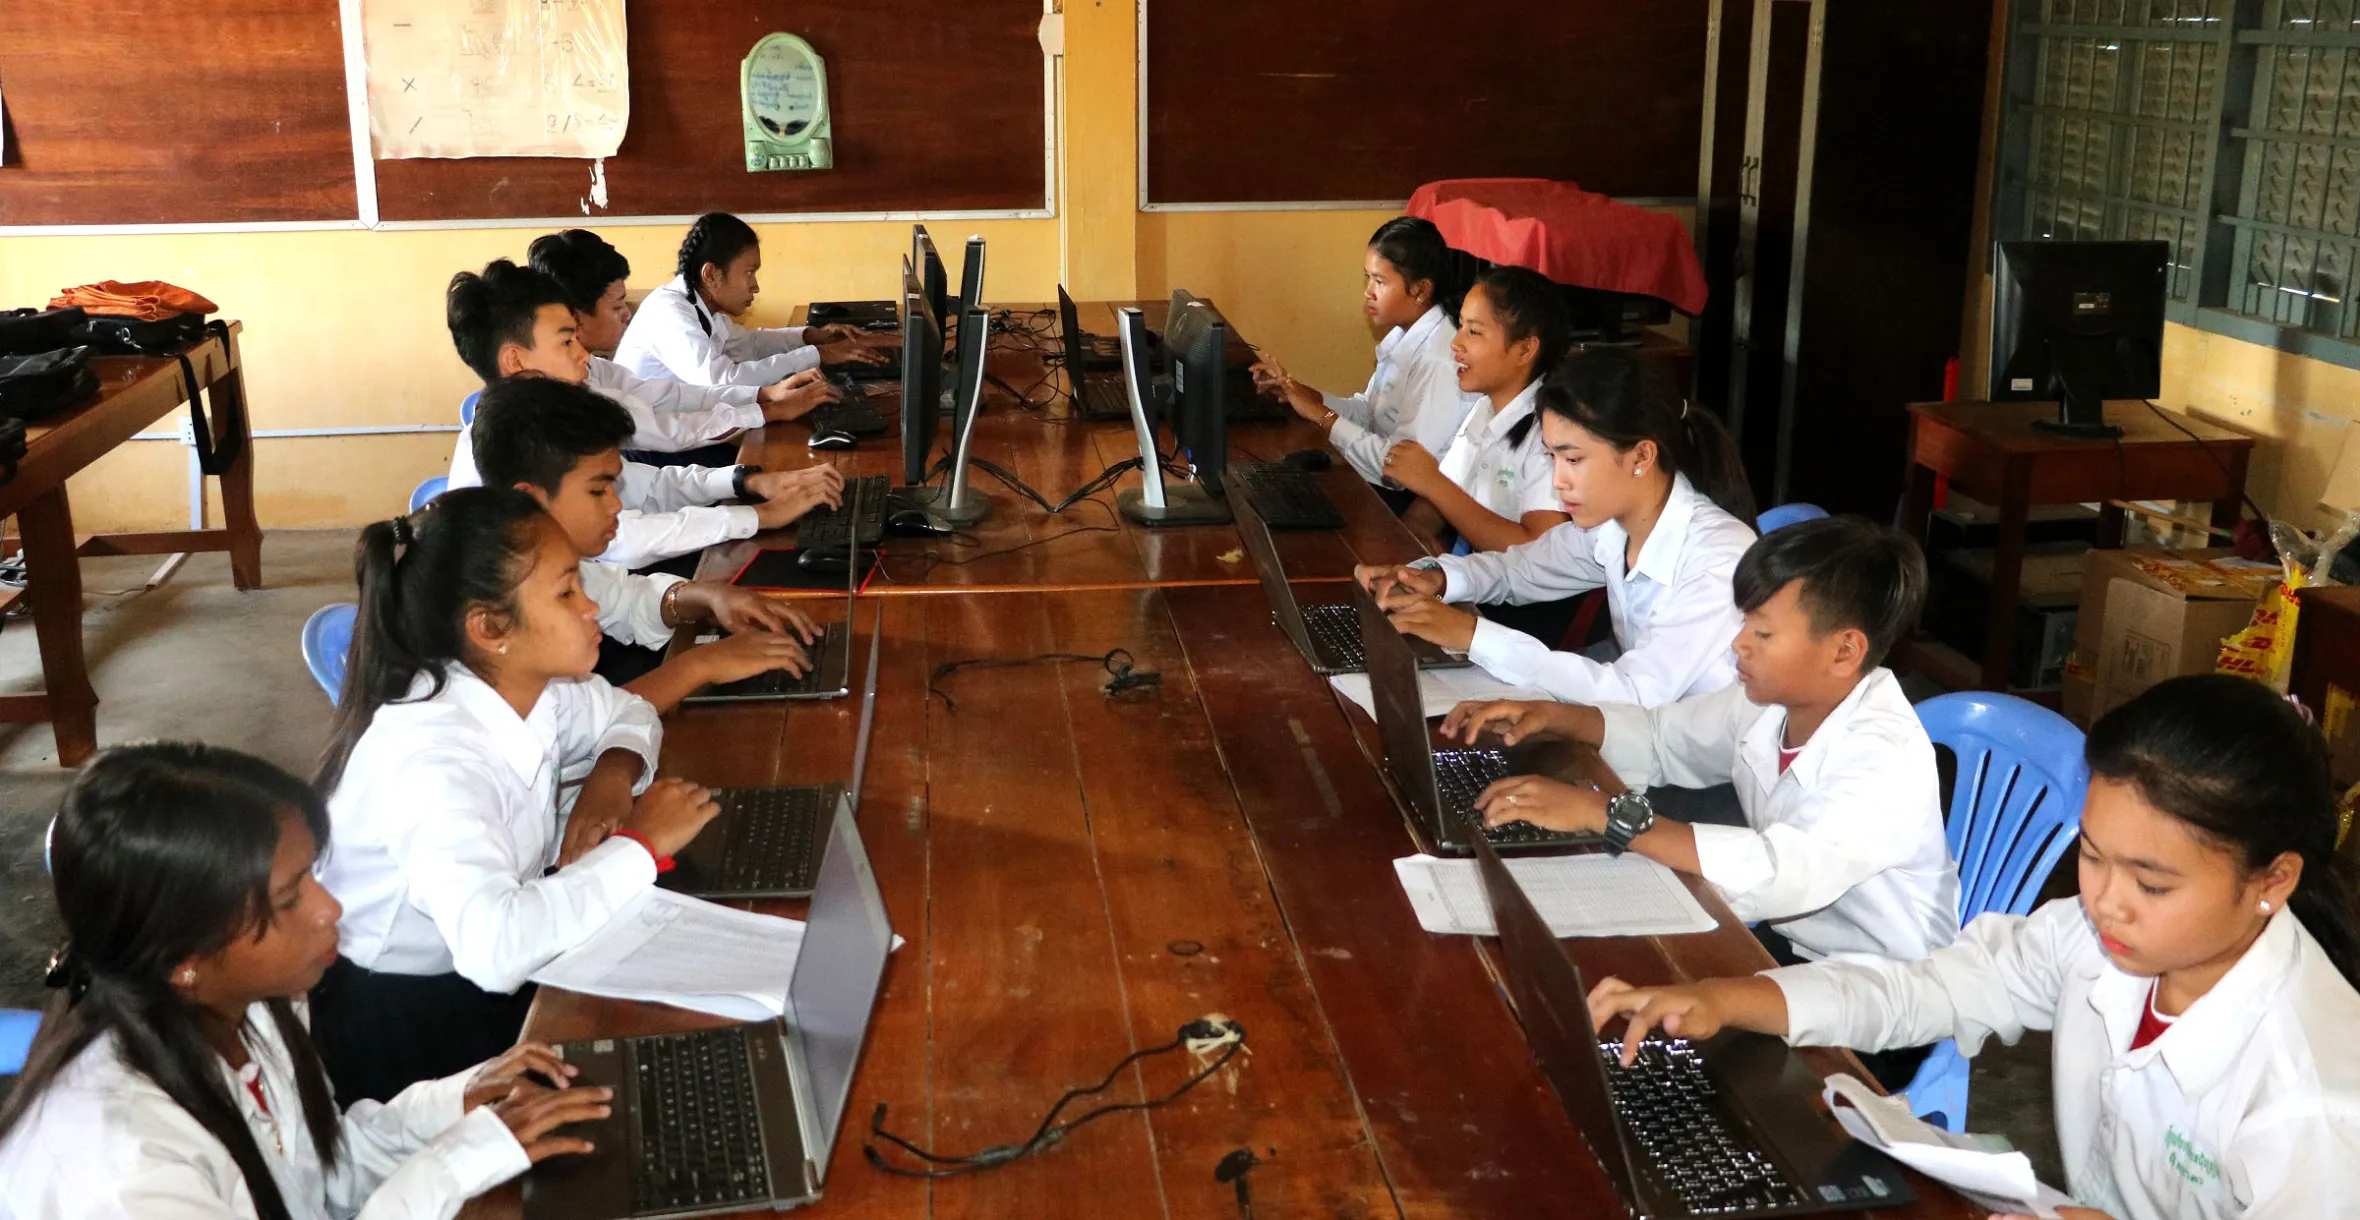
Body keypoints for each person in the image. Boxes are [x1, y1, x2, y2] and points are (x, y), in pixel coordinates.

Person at [1596, 676, 2360, 1220]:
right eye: (2092, 855)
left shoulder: (2311, 1101)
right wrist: (1724, 997)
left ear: (2273, 879)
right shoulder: (2096, 939)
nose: (2104, 899)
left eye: (2152, 884)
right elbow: (1926, 989)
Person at [0, 742, 615, 1218]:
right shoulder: (121, 1165)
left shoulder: (254, 1006)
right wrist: (463, 1157)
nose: (331, 908)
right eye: (290, 898)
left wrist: (454, 1105)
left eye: (312, 877)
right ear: (181, 958)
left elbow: (316, 1172)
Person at [1447, 516, 1956, 1083]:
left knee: (1659, 1058)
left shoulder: (1883, 758)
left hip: (1878, 1001)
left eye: (1762, 633)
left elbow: (1777, 871)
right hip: (1783, 946)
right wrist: (1555, 717)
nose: (1738, 643)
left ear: (1844, 651)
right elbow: (1666, 738)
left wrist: (1605, 814)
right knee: (1606, 978)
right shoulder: (1775, 699)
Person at [309, 487, 723, 1104]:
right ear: (490, 627)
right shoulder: (433, 761)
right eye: (566, 592)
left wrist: (612, 775)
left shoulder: (525, 686)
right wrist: (640, 845)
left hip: (490, 962)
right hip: (413, 1025)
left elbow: (629, 712)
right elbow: (494, 950)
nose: (590, 608)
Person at [1357, 345, 1758, 708]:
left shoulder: (1719, 556)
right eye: (1552, 458)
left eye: (1574, 460)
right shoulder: (1612, 527)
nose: (1557, 481)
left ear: (1641, 455)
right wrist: (1436, 576)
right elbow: (1521, 569)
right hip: (1648, 727)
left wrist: (1474, 635)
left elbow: (1637, 692)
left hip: (1713, 770)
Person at [469, 376, 821, 699]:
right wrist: (699, 665)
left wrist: (709, 595)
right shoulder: (496, 616)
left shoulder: (538, 551)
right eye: (598, 492)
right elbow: (585, 733)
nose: (616, 504)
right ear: (532, 497)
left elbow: (622, 599)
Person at [449, 257, 837, 464]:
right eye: (567, 339)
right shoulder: (529, 435)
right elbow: (665, 429)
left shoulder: (565, 392)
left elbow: (666, 396)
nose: (628, 314)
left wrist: (762, 398)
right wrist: (763, 409)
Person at [1249, 216, 1480, 506]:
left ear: (1420, 290)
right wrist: (1299, 394)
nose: (1367, 292)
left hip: (1408, 498)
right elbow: (1368, 415)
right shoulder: (1403, 335)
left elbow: (1400, 471)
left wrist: (1322, 416)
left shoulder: (1439, 359)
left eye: (1379, 281)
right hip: (1382, 476)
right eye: (1367, 278)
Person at [1375, 265, 1572, 556]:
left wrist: (1433, 482)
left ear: (1526, 350)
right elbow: (1443, 497)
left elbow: (1538, 552)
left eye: (1474, 331)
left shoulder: (1551, 433)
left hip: (1528, 600)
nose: (1456, 342)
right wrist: (1416, 532)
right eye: (1461, 325)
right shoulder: (1485, 407)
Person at [613, 212, 891, 387]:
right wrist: (816, 356)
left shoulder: (705, 307)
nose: (755, 286)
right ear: (711, 274)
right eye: (749, 272)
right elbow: (720, 380)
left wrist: (811, 336)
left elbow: (751, 344)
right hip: (655, 453)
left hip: (687, 431)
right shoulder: (670, 314)